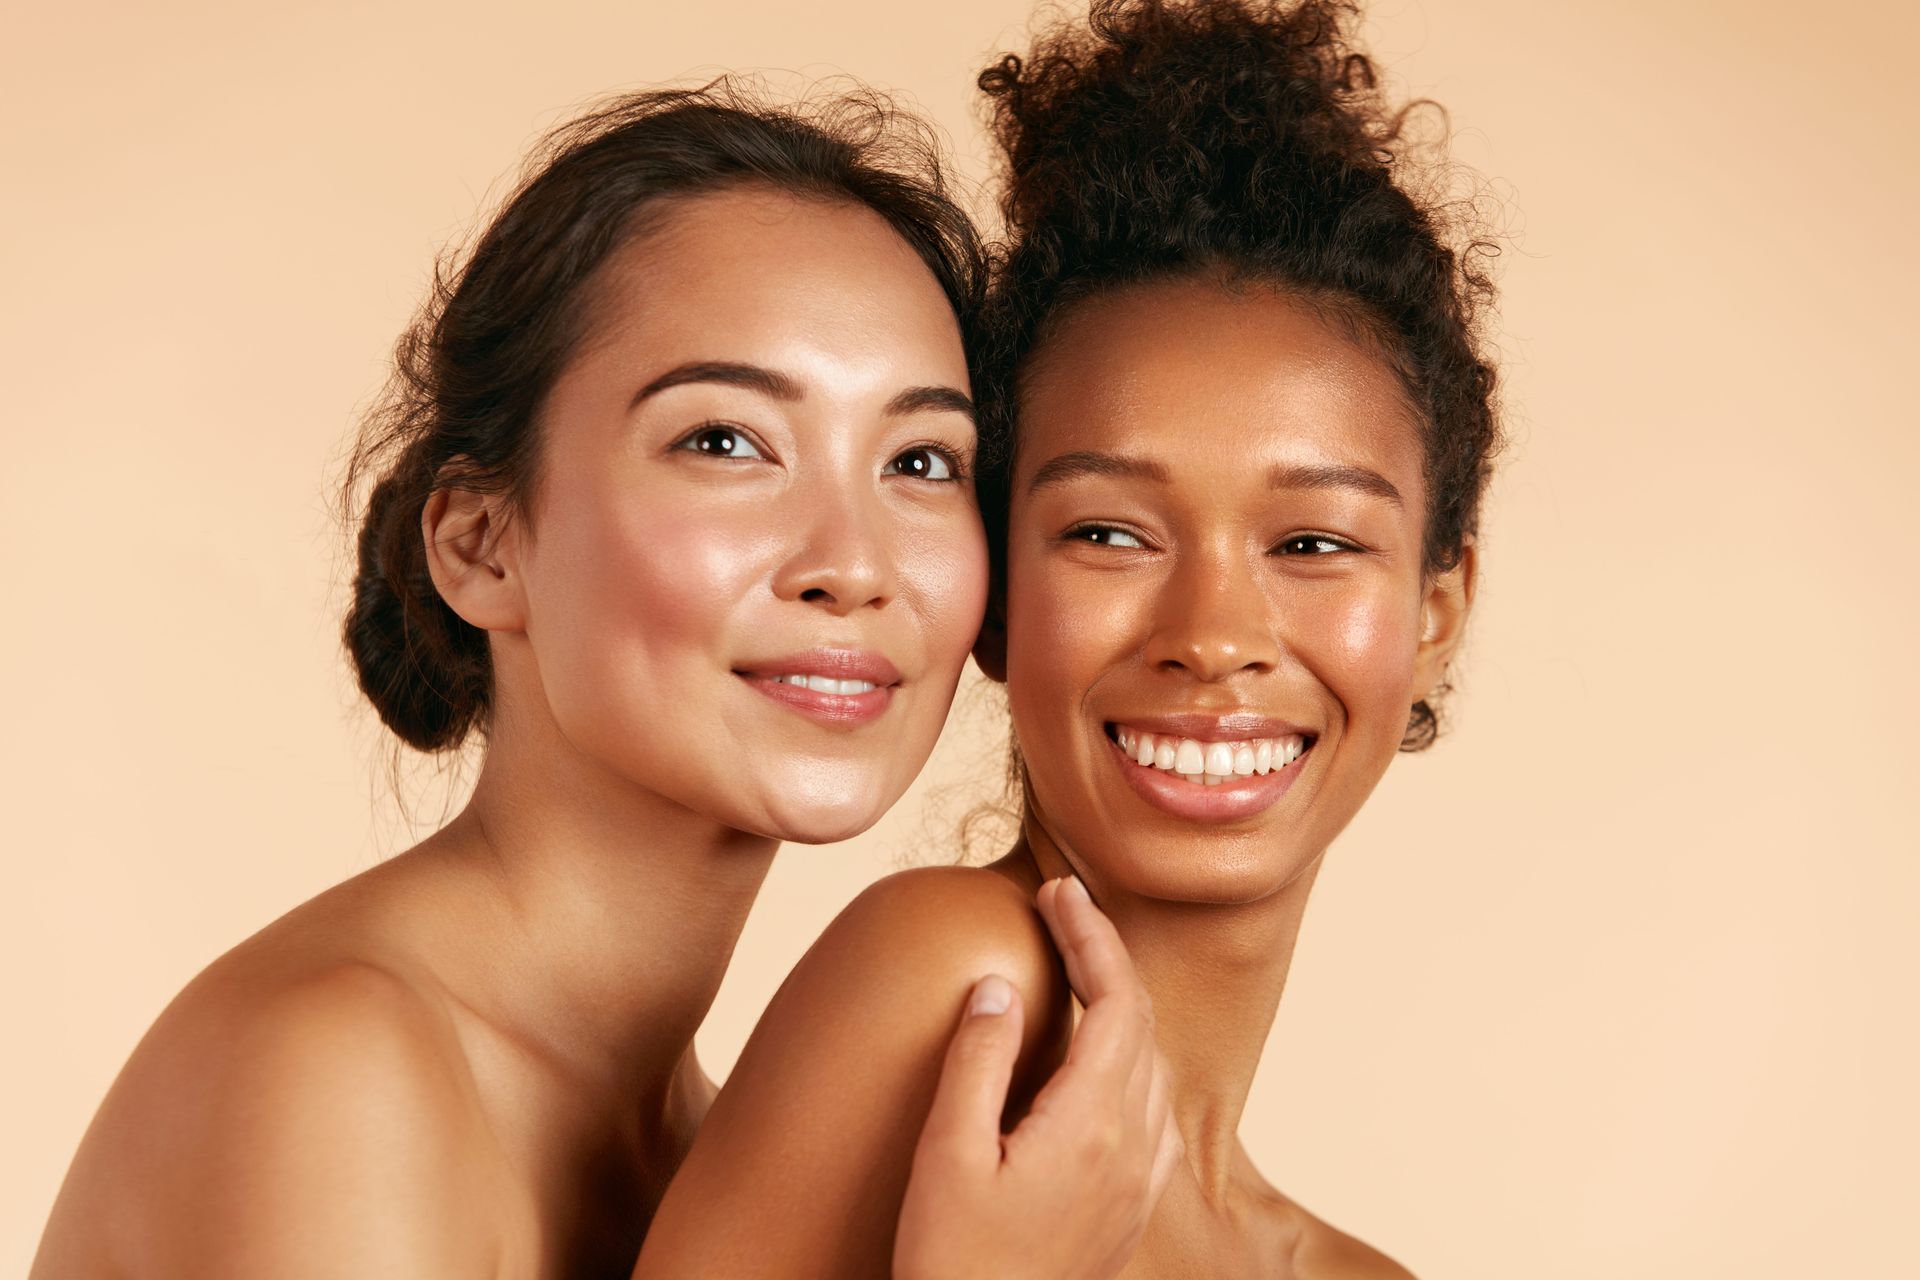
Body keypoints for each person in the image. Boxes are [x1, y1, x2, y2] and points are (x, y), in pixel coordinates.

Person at [31, 83, 1173, 1279]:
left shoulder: (720, 1155)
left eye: (922, 459)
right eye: (725, 441)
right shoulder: (336, 1068)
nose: (853, 562)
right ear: (482, 541)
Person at [631, 1, 1501, 1275]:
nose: (1213, 636)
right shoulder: (954, 988)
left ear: (1435, 615)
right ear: (995, 599)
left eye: (1313, 544)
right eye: (1109, 532)